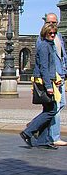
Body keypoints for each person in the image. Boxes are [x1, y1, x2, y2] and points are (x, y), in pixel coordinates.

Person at [20, 23, 62, 149]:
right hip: (44, 83)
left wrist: (56, 79)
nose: (53, 35)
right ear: (45, 33)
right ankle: (28, 131)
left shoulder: (49, 45)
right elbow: (44, 67)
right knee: (52, 110)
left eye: (54, 33)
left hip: (47, 81)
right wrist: (49, 86)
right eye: (50, 33)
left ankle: (43, 141)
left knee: (48, 110)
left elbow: (49, 67)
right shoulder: (44, 46)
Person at [35, 13, 67, 146]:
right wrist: (49, 81)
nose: (52, 25)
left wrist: (64, 71)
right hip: (53, 77)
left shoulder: (58, 36)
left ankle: (35, 124)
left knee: (59, 106)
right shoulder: (42, 39)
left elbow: (62, 56)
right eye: (50, 22)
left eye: (54, 22)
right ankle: (54, 137)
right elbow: (44, 63)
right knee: (55, 107)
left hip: (60, 75)